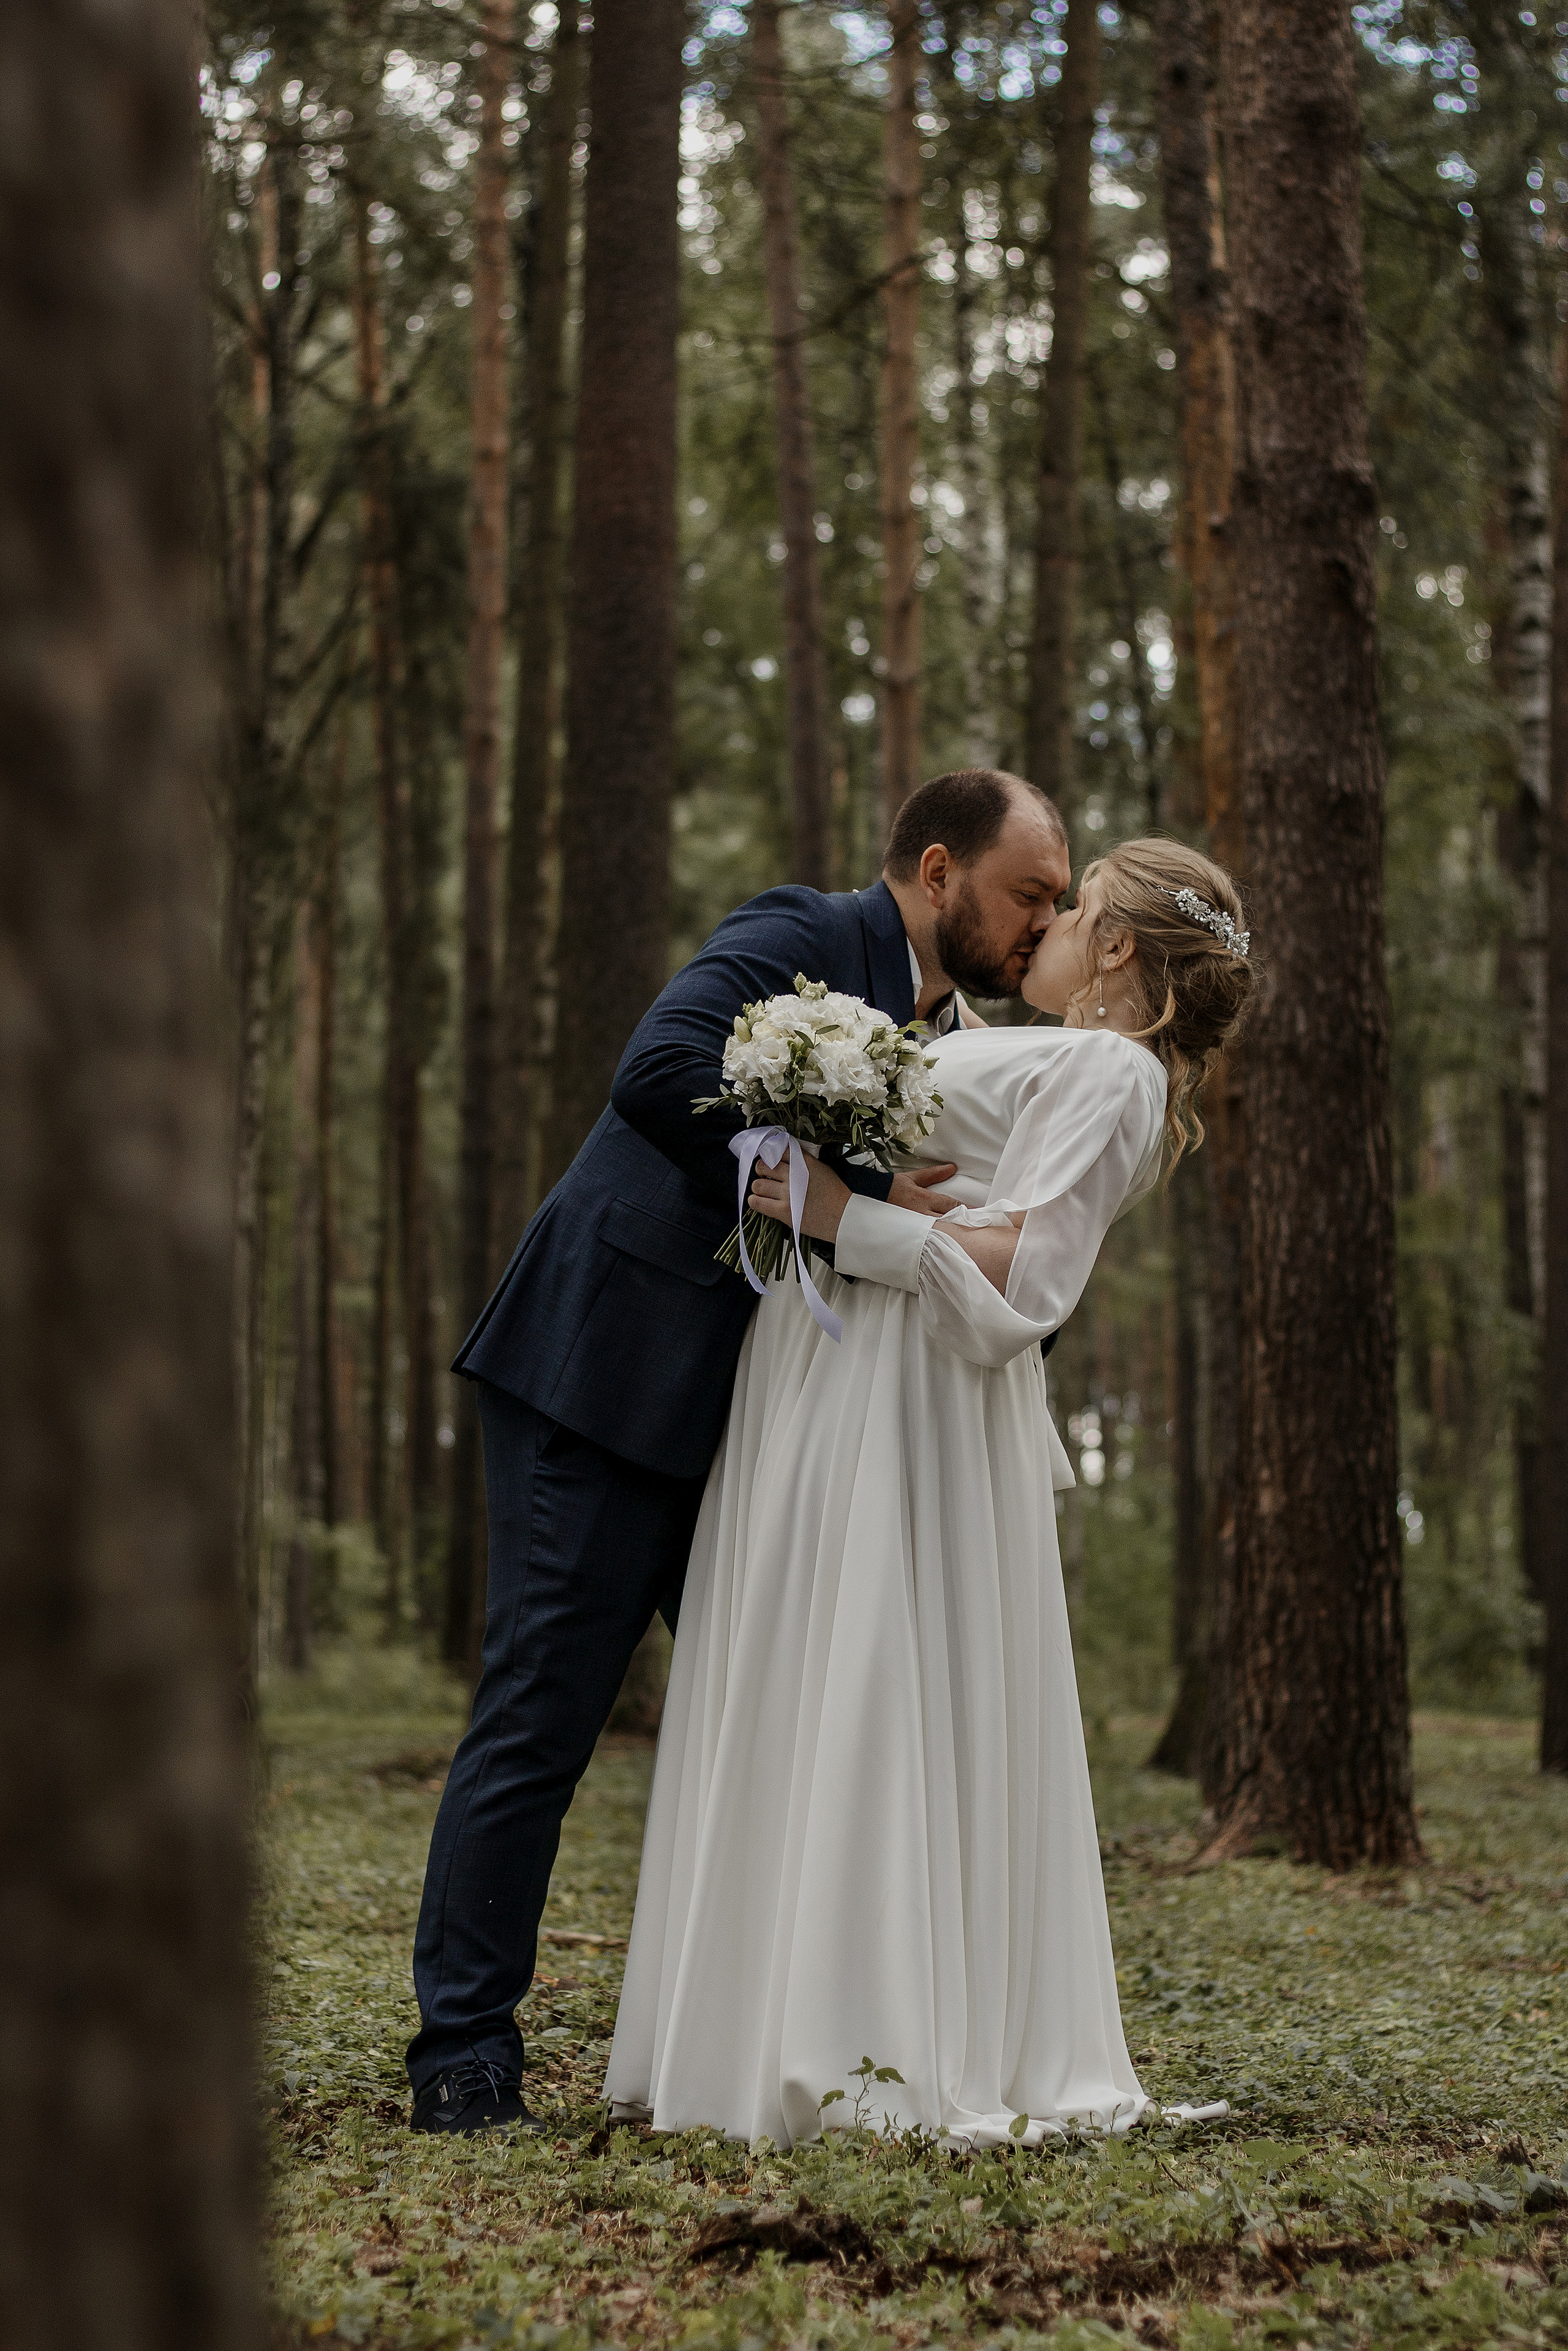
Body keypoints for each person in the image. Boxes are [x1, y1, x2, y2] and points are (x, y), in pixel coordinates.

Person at [407, 768, 1072, 2134]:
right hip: (600, 1377)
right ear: (937, 870)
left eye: (1060, 905)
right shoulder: (800, 938)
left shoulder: (959, 1038)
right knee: (542, 1711)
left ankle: (759, 2040)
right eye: (1028, 895)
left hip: (764, 1437)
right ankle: (462, 2052)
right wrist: (852, 1183)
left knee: (772, 1724)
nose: (1039, 924)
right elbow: (654, 1074)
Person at [603, 837, 1254, 2146]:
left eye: (1076, 909)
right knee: (802, 1670)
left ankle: (867, 2037)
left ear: (1119, 948)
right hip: (825, 1364)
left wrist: (830, 1213)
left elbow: (1026, 1272)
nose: (1054, 922)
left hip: (908, 1387)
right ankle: (754, 2028)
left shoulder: (1110, 1069)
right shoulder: (1037, 1049)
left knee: (875, 1680)